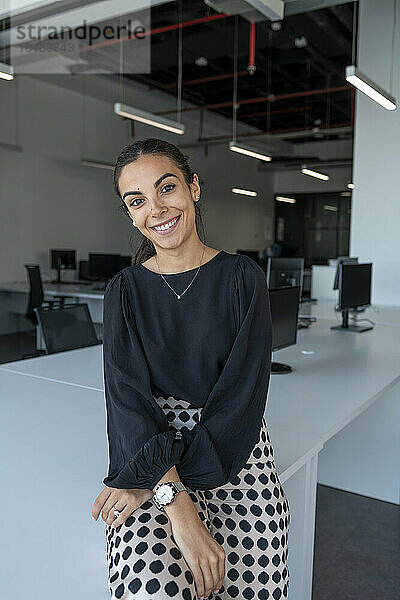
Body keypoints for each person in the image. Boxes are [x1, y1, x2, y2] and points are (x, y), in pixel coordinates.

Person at [91, 138, 290, 600]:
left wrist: (152, 479)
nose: (156, 210)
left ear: (194, 188)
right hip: (153, 453)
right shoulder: (124, 291)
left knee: (251, 589)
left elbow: (241, 399)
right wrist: (170, 496)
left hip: (235, 453)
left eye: (167, 189)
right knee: (153, 589)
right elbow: (127, 402)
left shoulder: (243, 278)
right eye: (136, 201)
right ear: (129, 213)